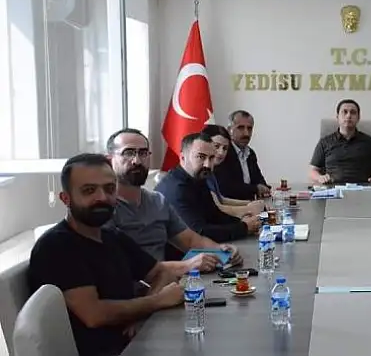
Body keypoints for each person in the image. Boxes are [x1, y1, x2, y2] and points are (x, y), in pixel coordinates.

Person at [29, 154, 184, 356]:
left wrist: (142, 314)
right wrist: (157, 301)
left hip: (135, 343)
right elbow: (94, 314)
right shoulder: (57, 246)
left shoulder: (112, 236)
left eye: (109, 189)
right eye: (89, 190)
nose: (102, 197)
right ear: (65, 198)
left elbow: (161, 272)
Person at [105, 128, 243, 274]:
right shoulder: (104, 209)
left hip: (167, 282)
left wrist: (222, 250)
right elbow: (118, 266)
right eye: (128, 153)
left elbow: (191, 240)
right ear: (109, 160)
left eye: (143, 153)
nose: (137, 161)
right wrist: (186, 266)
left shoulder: (158, 202)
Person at [155, 133, 262, 243]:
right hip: (176, 252)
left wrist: (242, 222)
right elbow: (198, 232)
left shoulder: (198, 178)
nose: (207, 164)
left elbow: (214, 215)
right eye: (201, 157)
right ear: (182, 157)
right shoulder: (176, 189)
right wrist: (244, 227)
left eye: (211, 158)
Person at [309, 99, 371, 184]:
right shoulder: (324, 142)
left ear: (358, 118)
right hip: (333, 188)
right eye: (344, 112)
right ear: (337, 117)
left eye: (353, 112)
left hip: (363, 188)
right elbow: (313, 171)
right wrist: (320, 177)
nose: (348, 116)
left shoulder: (370, 142)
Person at [201, 124, 266, 217]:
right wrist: (249, 209)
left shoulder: (210, 171)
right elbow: (217, 207)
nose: (221, 152)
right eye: (216, 146)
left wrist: (251, 203)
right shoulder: (200, 172)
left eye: (225, 148)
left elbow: (221, 199)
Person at [216, 110, 271, 200]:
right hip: (231, 205)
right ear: (229, 130)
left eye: (249, 128)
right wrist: (256, 189)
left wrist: (263, 187)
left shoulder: (250, 153)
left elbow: (259, 180)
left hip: (250, 204)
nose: (246, 133)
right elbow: (227, 188)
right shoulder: (223, 153)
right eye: (241, 128)